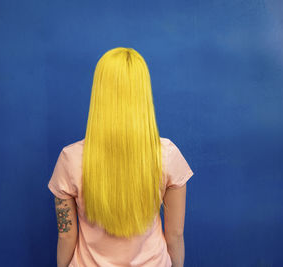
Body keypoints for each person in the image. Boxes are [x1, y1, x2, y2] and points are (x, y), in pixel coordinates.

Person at [48, 47, 194, 267]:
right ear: (143, 92)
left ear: (99, 91)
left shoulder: (70, 159)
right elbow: (175, 235)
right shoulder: (168, 155)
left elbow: (66, 236)